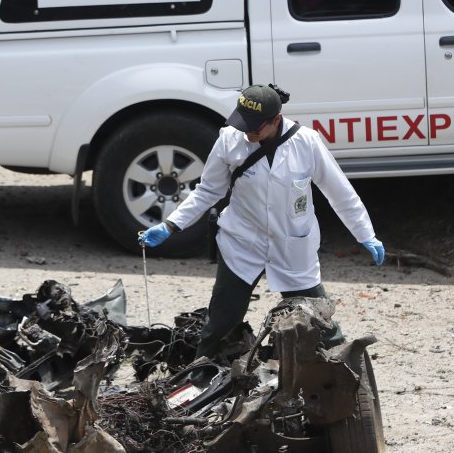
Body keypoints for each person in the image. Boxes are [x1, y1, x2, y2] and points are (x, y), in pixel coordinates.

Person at [139, 84, 385, 359]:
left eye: (255, 128)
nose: (248, 132)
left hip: (292, 245)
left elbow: (340, 193)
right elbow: (208, 190)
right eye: (244, 125)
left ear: (276, 120)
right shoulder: (229, 140)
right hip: (242, 243)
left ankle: (348, 374)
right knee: (221, 321)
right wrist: (170, 225)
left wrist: (365, 234)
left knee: (320, 322)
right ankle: (198, 376)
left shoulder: (307, 143)